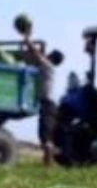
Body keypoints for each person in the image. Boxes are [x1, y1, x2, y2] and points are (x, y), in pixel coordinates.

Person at [19, 29, 64, 166]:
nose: (47, 55)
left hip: (48, 105)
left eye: (49, 54)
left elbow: (37, 54)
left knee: (46, 136)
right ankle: (48, 162)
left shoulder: (48, 66)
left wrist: (27, 40)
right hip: (48, 104)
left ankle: (48, 164)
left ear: (52, 58)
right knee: (44, 135)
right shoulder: (47, 67)